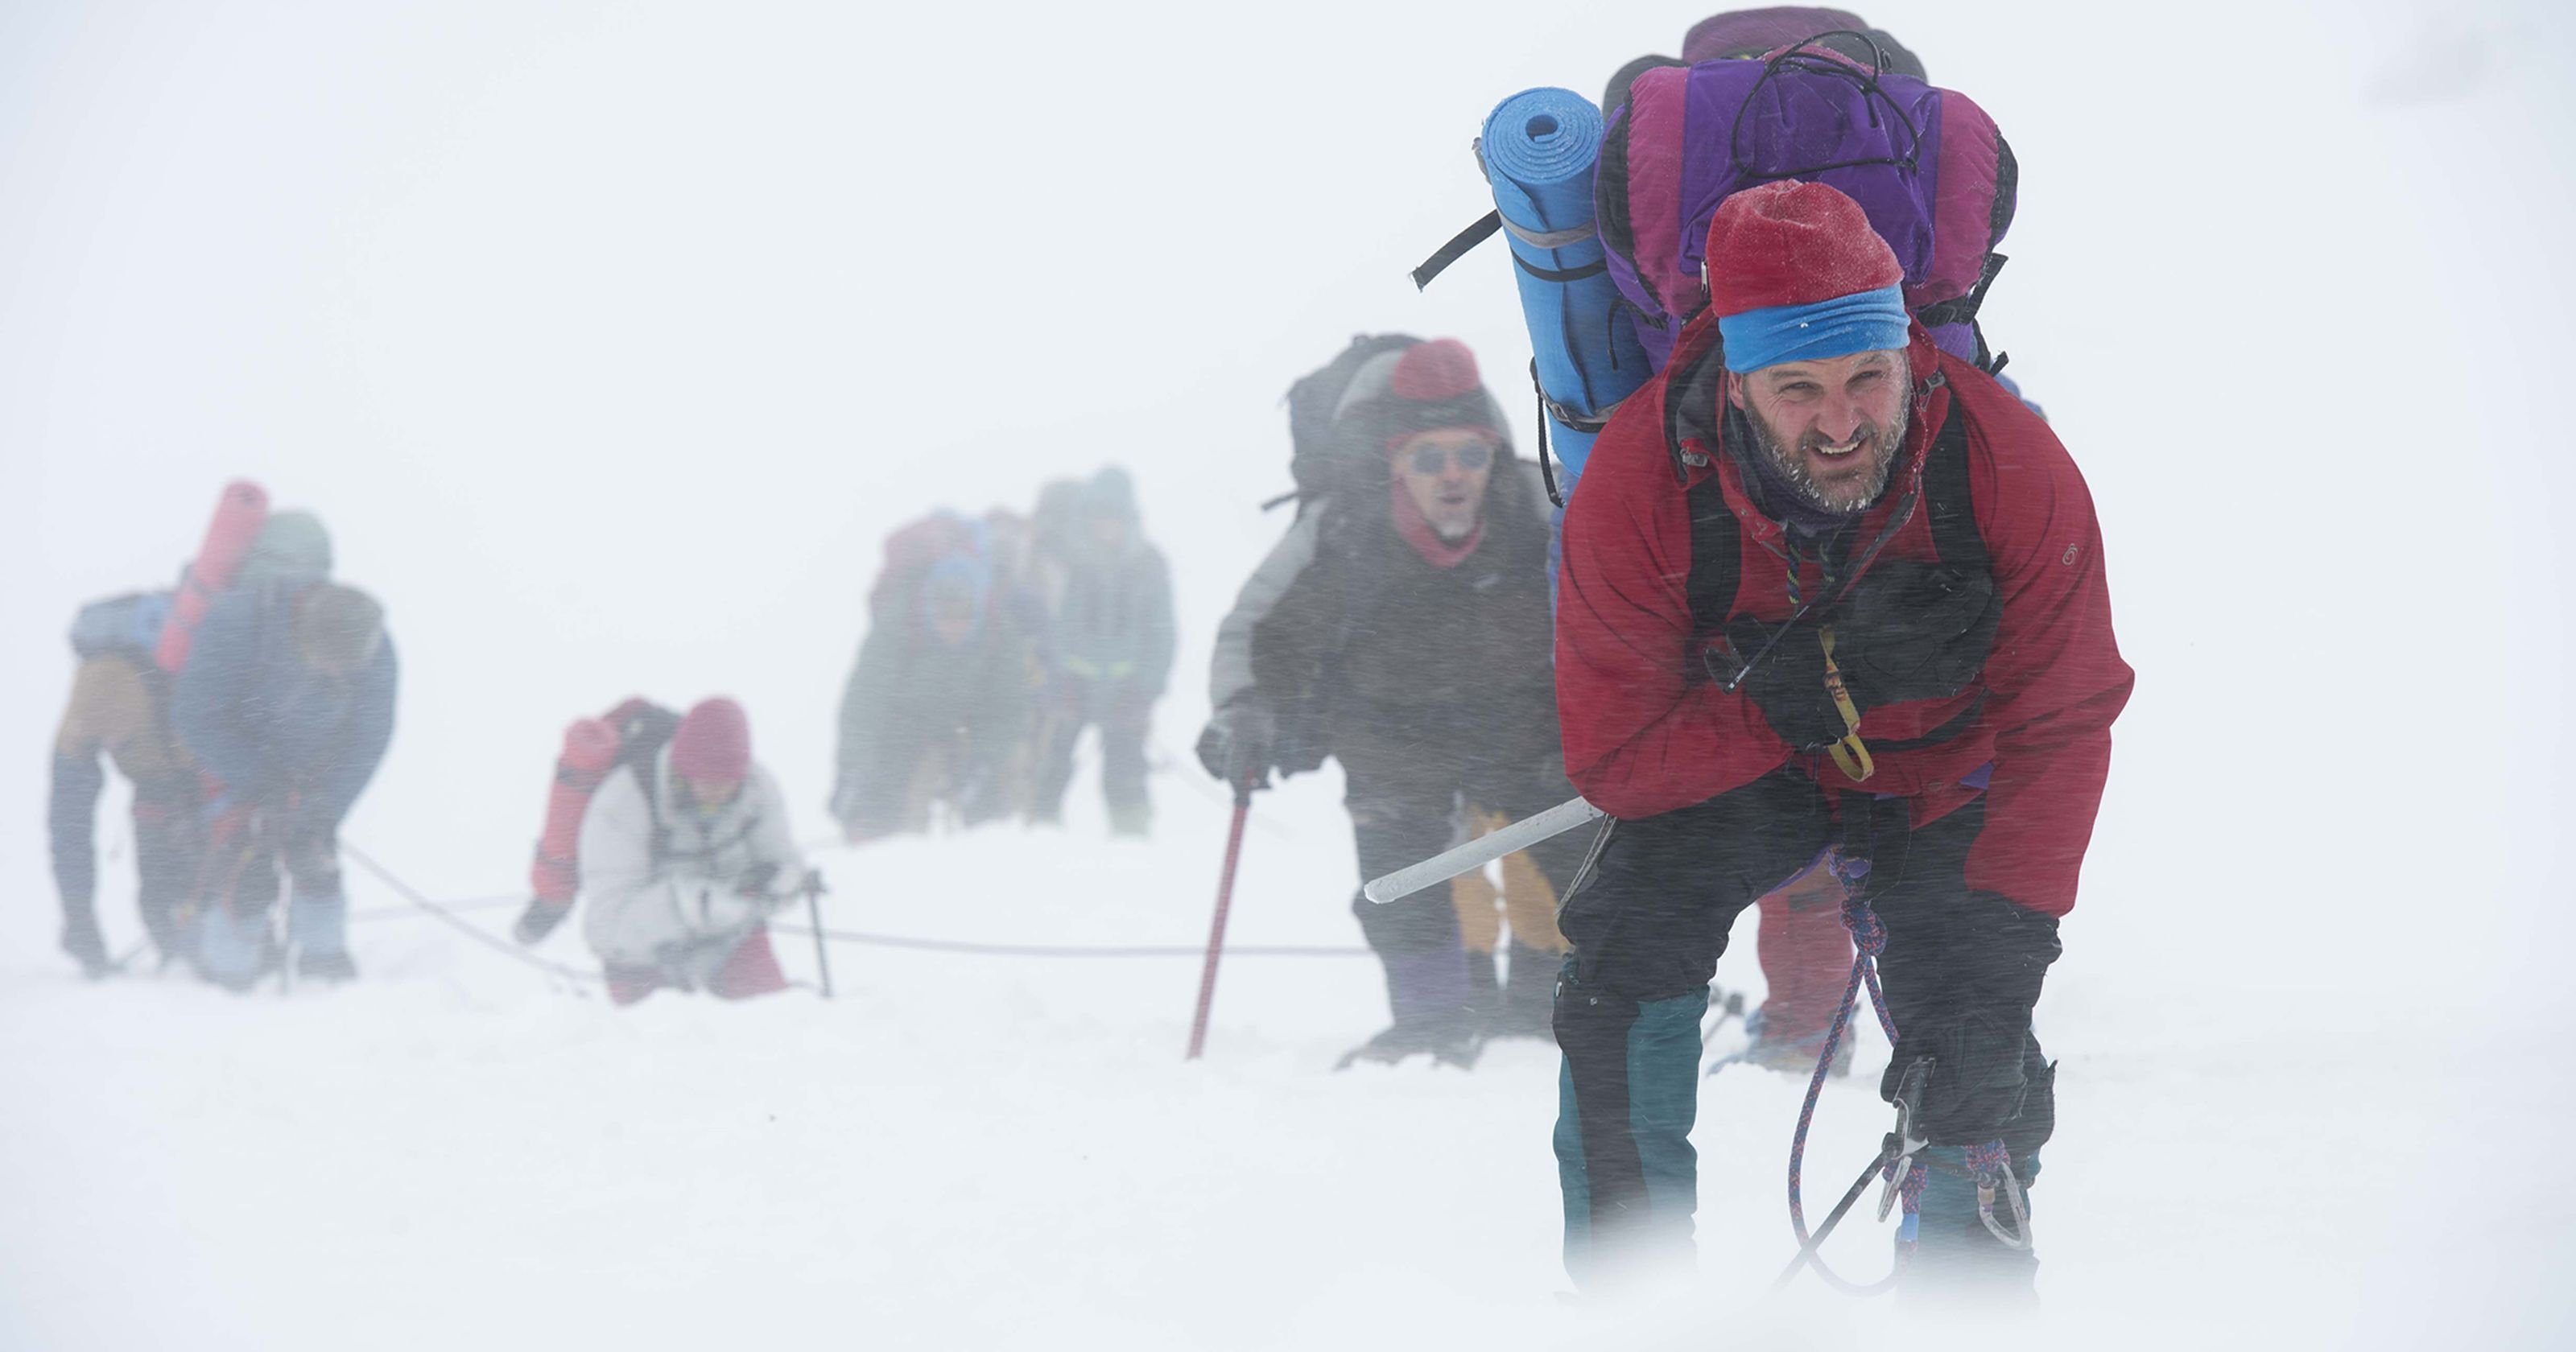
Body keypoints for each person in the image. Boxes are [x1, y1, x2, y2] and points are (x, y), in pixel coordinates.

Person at [1549, 181, 2130, 1288]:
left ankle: (1967, 1293)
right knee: (1620, 964)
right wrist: (1781, 702)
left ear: (1909, 349)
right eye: (1797, 387)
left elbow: (2066, 713)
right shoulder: (1640, 482)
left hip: (1950, 775)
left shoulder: (2005, 460)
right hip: (1749, 763)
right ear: (1737, 377)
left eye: (1869, 375)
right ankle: (1632, 1296)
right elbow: (1614, 758)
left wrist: (2005, 957)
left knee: (1978, 1044)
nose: (1842, 420)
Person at [1198, 338, 1579, 1066]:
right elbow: (1260, 631)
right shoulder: (1343, 531)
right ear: (1394, 465)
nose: (1455, 476)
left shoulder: (1539, 503)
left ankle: (1543, 1011)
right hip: (1390, 733)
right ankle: (1432, 1021)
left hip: (1527, 725)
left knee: (1574, 852)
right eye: (1428, 458)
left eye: (1471, 454)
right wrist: (1244, 708)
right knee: (1399, 875)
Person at [172, 513, 395, 988]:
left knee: (315, 856)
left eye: (345, 670)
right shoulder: (235, 622)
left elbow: (368, 740)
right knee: (243, 863)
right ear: (303, 641)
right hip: (232, 764)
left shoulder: (377, 649)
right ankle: (229, 972)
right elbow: (196, 715)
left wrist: (325, 808)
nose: (337, 675)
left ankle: (324, 961)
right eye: (327, 665)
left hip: (313, 770)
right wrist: (256, 781)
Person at [578, 698, 808, 1005]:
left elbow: (783, 864)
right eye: (707, 781)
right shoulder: (623, 803)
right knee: (657, 1047)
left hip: (734, 942)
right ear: (681, 770)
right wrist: (689, 908)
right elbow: (606, 930)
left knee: (779, 1027)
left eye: (727, 783)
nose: (718, 792)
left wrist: (781, 883)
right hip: (643, 961)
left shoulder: (757, 788)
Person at [831, 513, 1037, 839]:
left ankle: (995, 862)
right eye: (943, 615)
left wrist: (985, 762)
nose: (952, 626)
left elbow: (1008, 711)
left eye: (962, 617)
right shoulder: (898, 626)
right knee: (878, 809)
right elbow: (864, 704)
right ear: (929, 606)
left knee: (991, 805)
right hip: (902, 729)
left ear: (979, 611)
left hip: (968, 732)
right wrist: (852, 770)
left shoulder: (1000, 636)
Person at [49, 593, 200, 975]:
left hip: (198, 786)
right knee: (165, 897)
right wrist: (79, 915)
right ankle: (182, 948)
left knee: (202, 891)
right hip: (159, 789)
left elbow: (69, 820)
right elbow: (70, 818)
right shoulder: (95, 697)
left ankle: (196, 946)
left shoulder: (199, 674)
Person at [1026, 467, 1176, 835]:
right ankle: (1038, 838)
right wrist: (1058, 681)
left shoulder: (1149, 566)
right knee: (1051, 768)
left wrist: (1144, 691)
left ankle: (1133, 844)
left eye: (1114, 517)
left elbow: (1162, 636)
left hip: (1125, 693)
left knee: (1126, 774)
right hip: (1070, 690)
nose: (1106, 526)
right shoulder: (1068, 563)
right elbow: (1051, 626)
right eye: (1099, 516)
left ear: (1129, 519)